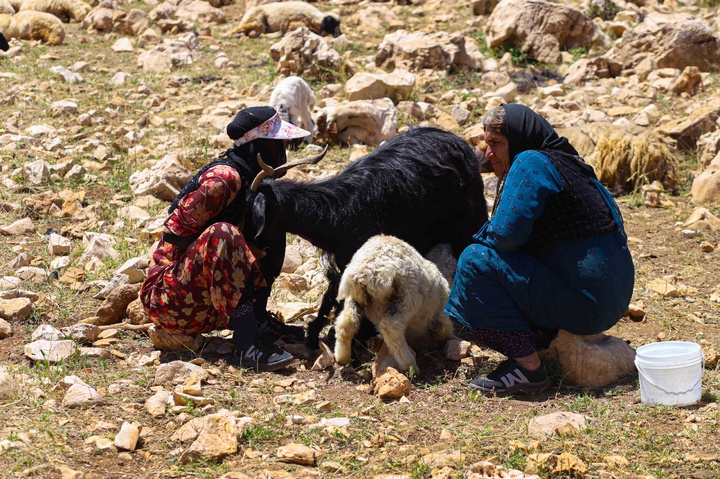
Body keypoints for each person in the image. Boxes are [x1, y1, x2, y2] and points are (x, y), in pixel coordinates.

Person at [444, 104, 635, 395]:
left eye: (496, 144)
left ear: (519, 139)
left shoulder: (530, 162)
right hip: (611, 300)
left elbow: (505, 236)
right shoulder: (569, 164)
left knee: (475, 259)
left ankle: (527, 367)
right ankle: (540, 336)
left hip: (586, 305)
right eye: (486, 145)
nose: (488, 153)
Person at [140, 106, 311, 372]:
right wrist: (237, 246)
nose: (283, 151)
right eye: (277, 144)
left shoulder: (253, 176)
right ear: (257, 147)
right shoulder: (225, 178)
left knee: (272, 218)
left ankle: (258, 321)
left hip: (206, 299)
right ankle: (249, 345)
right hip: (169, 300)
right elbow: (173, 234)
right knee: (223, 234)